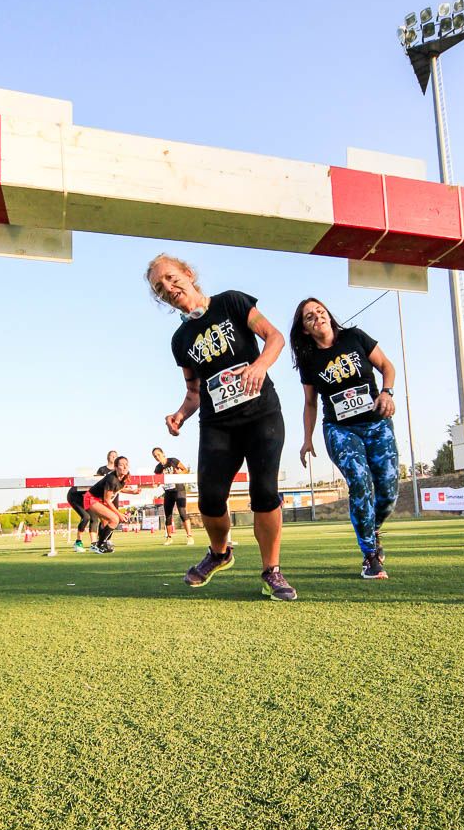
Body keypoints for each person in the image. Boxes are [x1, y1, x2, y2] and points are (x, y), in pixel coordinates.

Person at [145, 253, 296, 601]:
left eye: (170, 278)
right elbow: (194, 390)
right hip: (218, 424)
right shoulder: (180, 340)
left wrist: (258, 366)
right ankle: (219, 552)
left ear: (187, 273)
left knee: (264, 492)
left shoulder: (231, 301)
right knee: (210, 498)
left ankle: (271, 571)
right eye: (159, 287)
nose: (168, 288)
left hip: (262, 415)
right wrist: (180, 414)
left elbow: (274, 337)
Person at [290, 297, 399, 580]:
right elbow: (311, 403)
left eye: (320, 311)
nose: (317, 317)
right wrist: (307, 439)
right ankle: (370, 556)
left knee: (388, 490)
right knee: (360, 482)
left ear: (328, 314)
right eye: (309, 317)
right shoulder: (309, 359)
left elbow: (387, 366)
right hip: (341, 430)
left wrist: (387, 393)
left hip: (376, 424)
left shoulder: (354, 337)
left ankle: (373, 529)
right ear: (304, 329)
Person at [85, 456, 131, 554]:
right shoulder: (112, 479)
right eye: (121, 465)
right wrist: (119, 514)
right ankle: (99, 545)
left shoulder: (124, 476)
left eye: (126, 464)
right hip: (91, 499)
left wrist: (133, 492)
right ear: (115, 467)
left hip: (99, 499)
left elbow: (118, 489)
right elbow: (107, 500)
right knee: (115, 519)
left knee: (107, 522)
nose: (125, 467)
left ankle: (100, 544)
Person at [152, 447, 195, 546]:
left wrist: (180, 473)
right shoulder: (158, 468)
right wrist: (155, 484)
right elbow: (157, 482)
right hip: (168, 492)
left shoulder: (173, 461)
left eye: (158, 454)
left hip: (179, 489)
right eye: (155, 456)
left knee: (182, 512)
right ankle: (169, 538)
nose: (157, 457)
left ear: (163, 453)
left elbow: (185, 470)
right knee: (168, 515)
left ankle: (190, 536)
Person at [66, 467, 105, 552]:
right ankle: (78, 542)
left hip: (86, 497)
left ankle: (94, 544)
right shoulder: (94, 480)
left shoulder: (105, 483)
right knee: (86, 517)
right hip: (74, 496)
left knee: (94, 518)